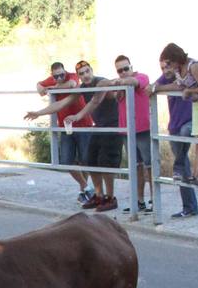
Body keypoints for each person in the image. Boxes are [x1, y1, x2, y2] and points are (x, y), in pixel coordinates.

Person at [24, 61, 94, 205]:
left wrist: (52, 87)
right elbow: (39, 85)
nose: (60, 78)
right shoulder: (54, 79)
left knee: (85, 160)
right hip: (65, 126)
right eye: (56, 76)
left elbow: (71, 85)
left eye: (62, 74)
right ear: (52, 75)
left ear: (65, 71)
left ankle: (85, 192)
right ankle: (86, 187)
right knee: (66, 161)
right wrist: (41, 88)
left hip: (83, 124)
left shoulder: (72, 76)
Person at [155, 43, 198, 189]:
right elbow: (178, 86)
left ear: (175, 58)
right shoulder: (178, 70)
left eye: (169, 62)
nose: (168, 66)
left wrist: (190, 92)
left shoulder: (194, 66)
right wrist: (157, 88)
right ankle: (196, 174)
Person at [66, 61, 123, 212]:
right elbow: (64, 102)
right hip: (98, 127)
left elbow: (95, 101)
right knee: (90, 161)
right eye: (81, 74)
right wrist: (38, 113)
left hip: (113, 126)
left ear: (92, 70)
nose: (85, 75)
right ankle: (99, 196)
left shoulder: (101, 82)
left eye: (87, 71)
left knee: (106, 162)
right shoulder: (83, 87)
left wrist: (77, 116)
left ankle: (110, 198)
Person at [152, 58, 198, 219]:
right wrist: (157, 87)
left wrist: (159, 88)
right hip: (174, 126)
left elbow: (180, 85)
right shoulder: (165, 78)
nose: (166, 70)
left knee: (185, 139)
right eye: (162, 67)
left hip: (189, 122)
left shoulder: (184, 74)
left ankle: (177, 167)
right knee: (183, 166)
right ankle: (190, 207)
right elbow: (150, 88)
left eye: (168, 65)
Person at [107, 55, 153, 214]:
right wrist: (115, 83)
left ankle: (155, 200)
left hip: (143, 130)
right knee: (135, 167)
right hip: (127, 131)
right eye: (120, 70)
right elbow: (107, 89)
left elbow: (133, 82)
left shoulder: (142, 77)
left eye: (126, 68)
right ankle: (138, 201)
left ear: (131, 67)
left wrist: (117, 82)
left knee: (150, 166)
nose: (124, 72)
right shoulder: (119, 85)